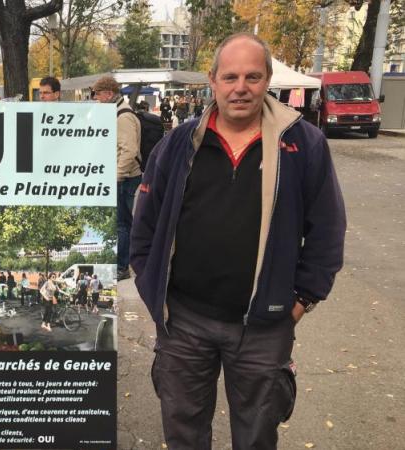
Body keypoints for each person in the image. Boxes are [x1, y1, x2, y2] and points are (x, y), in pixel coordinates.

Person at [130, 33, 346, 450]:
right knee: (183, 433)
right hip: (184, 322)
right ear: (212, 81)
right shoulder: (178, 144)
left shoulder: (303, 145)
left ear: (267, 80)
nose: (240, 87)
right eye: (230, 77)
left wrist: (301, 301)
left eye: (252, 76)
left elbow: (327, 231)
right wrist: (150, 284)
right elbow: (145, 225)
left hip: (264, 327)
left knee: (256, 437)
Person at [92, 76, 141, 280]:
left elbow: (129, 150)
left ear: (109, 94)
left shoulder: (123, 117)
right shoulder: (118, 113)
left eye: (98, 95)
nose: (97, 99)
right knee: (124, 223)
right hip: (125, 177)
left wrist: (117, 176)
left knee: (122, 224)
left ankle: (122, 267)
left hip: (126, 178)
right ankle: (123, 264)